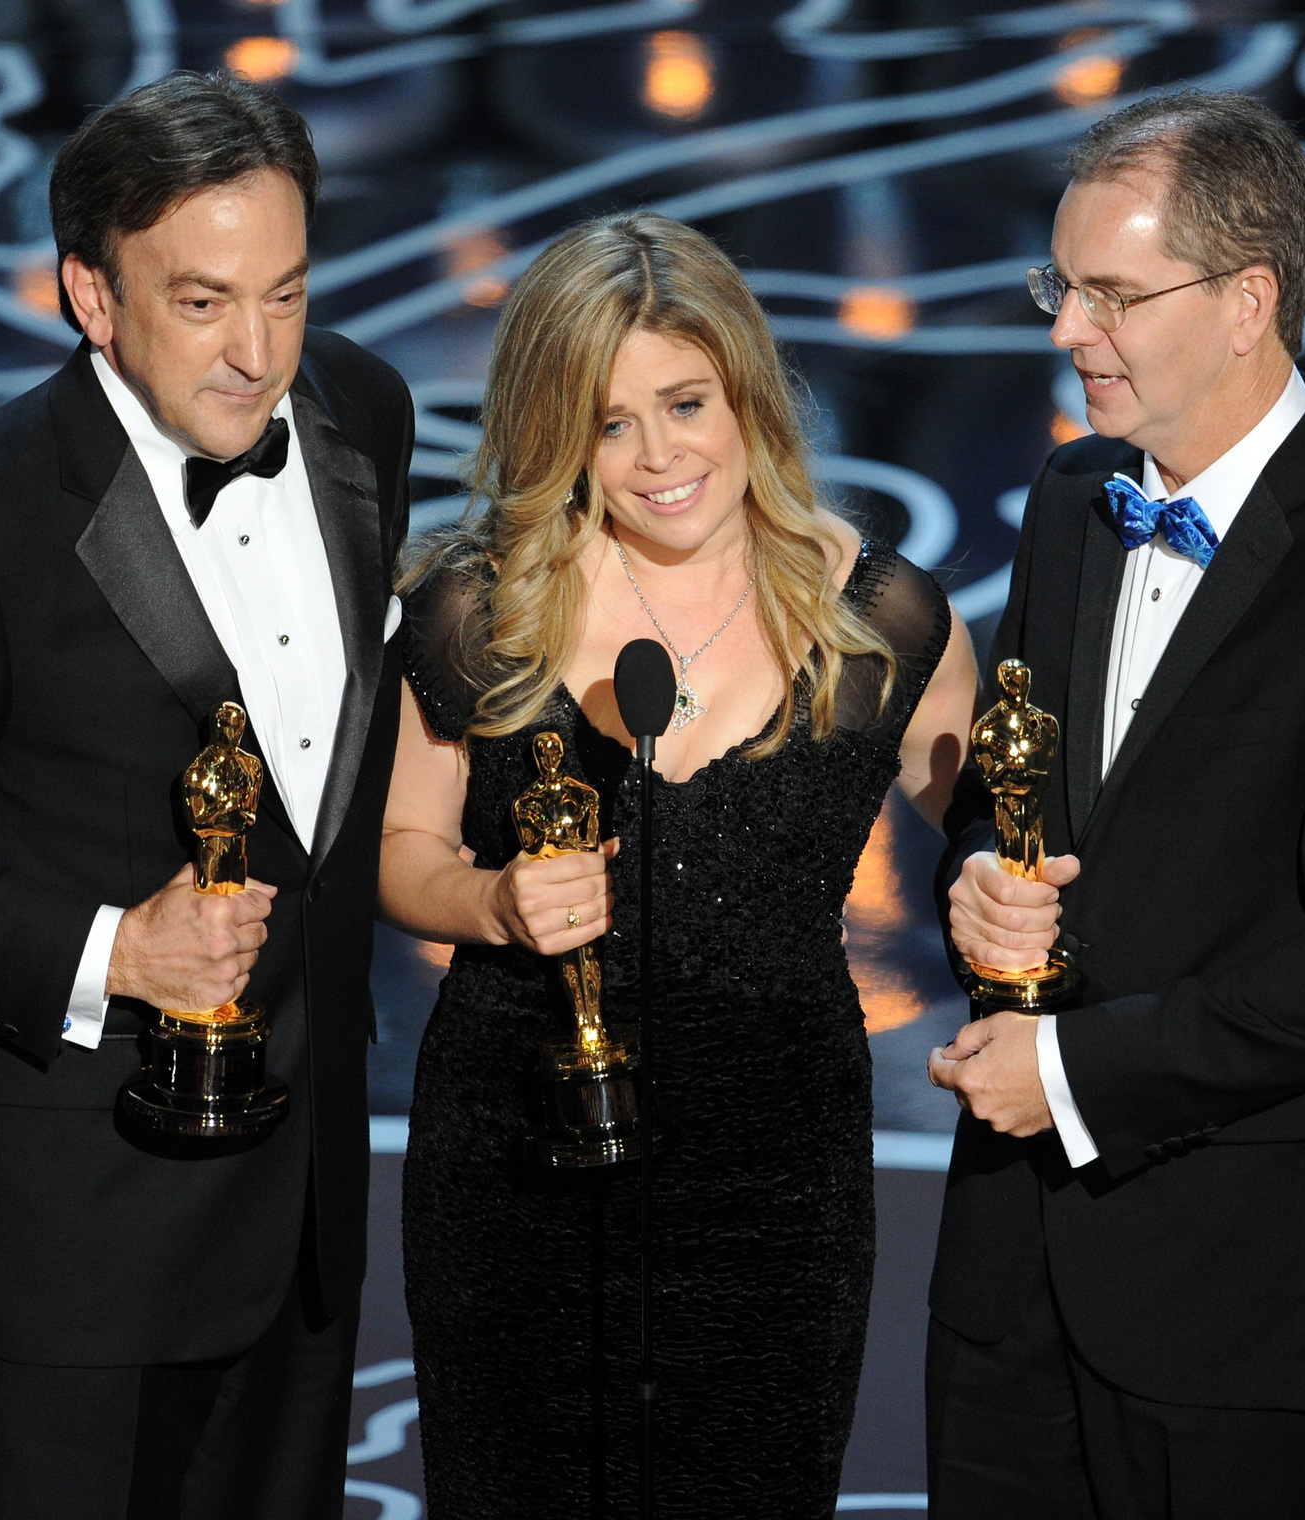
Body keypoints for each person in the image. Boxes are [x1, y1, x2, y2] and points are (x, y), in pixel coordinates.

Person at [0, 72, 414, 1519]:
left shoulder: (362, 410)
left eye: (287, 293)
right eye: (202, 303)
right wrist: (116, 952)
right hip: (74, 1250)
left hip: (304, 1215)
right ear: (89, 297)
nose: (257, 355)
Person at [924, 90, 1305, 1520]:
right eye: (1059, 284)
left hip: (1255, 1285)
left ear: (1250, 300)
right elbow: (1020, 791)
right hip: (1016, 1261)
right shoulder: (1074, 499)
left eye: (1114, 295)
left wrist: (1074, 1076)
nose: (1068, 328)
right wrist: (978, 886)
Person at [378, 210, 975, 1518]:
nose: (658, 457)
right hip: (515, 1159)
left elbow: (996, 833)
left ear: (746, 388)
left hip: (774, 1178)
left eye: (685, 402)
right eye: (609, 422)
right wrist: (489, 900)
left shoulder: (885, 622)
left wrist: (1017, 899)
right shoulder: (478, 608)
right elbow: (404, 853)